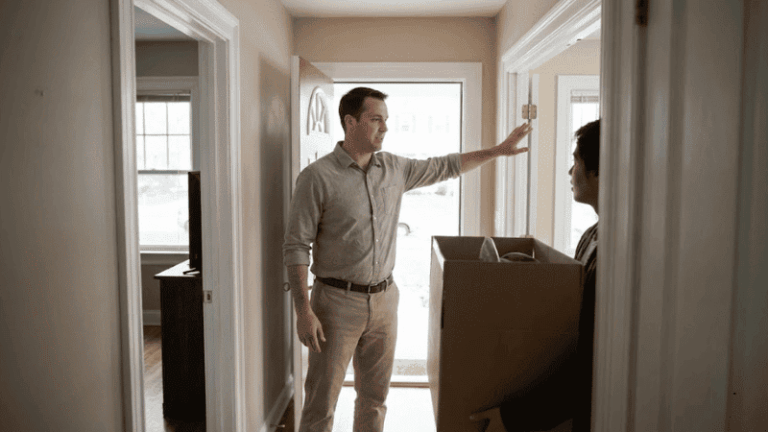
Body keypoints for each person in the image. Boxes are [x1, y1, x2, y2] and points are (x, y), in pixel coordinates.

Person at [283, 87, 533, 432]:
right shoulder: (316, 177)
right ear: (350, 122)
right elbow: (296, 246)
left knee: (374, 399)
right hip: (335, 304)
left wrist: (498, 151)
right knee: (321, 403)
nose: (384, 127)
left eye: (386, 120)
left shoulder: (395, 168)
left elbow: (446, 166)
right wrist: (302, 311)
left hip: (385, 301)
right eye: (376, 119)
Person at [470, 118, 600, 432]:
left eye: (576, 161)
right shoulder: (592, 234)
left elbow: (587, 362)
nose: (571, 172)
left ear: (599, 170)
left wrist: (515, 418)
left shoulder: (621, 255)